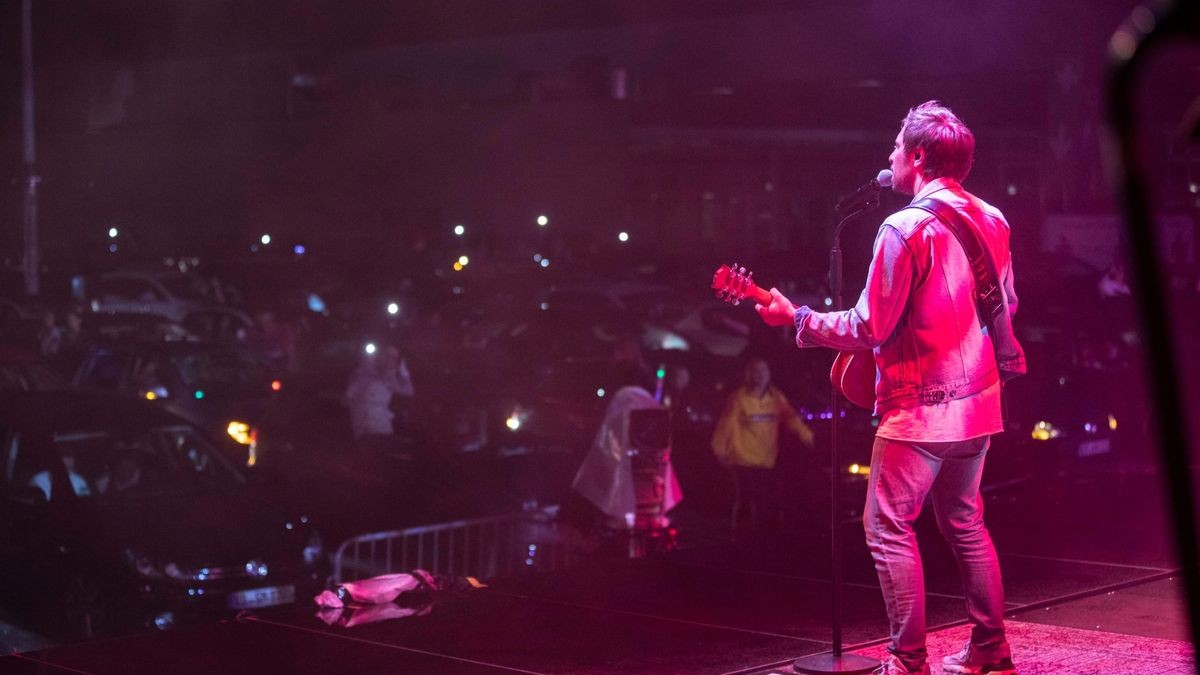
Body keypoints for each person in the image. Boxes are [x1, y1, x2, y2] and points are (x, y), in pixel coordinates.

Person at [755, 101, 1025, 675]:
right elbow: (1007, 305)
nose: (889, 156)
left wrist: (799, 319)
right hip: (979, 403)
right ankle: (991, 651)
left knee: (886, 525)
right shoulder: (993, 219)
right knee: (965, 520)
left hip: (921, 410)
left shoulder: (904, 228)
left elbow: (869, 326)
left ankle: (907, 661)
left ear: (919, 157)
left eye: (896, 148)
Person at [710, 358, 814, 534]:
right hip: (742, 459)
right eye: (755, 371)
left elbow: (791, 417)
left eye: (763, 371)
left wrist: (806, 434)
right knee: (745, 498)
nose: (759, 376)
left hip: (766, 459)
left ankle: (761, 538)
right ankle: (740, 537)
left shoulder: (776, 398)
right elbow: (726, 423)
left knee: (764, 500)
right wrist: (719, 449)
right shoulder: (739, 398)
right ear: (748, 375)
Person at [345, 343, 415, 455]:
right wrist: (368, 366)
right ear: (381, 355)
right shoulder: (363, 372)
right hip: (365, 431)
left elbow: (408, 391)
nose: (390, 360)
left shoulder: (391, 377)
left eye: (394, 358)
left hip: (383, 429)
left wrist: (404, 373)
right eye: (387, 356)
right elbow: (350, 394)